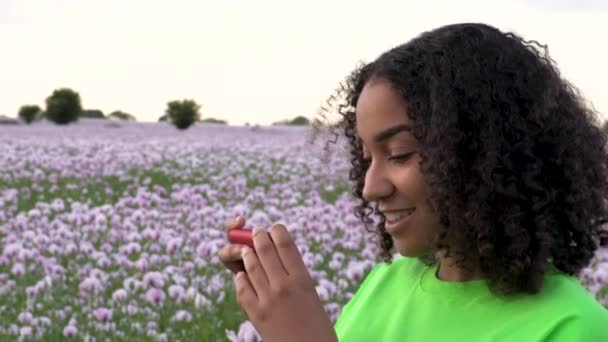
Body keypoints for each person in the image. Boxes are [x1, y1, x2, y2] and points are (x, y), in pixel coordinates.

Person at [218, 23, 608, 341]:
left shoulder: (572, 328)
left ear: (488, 155)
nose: (370, 188)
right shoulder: (383, 284)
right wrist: (281, 312)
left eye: (400, 154)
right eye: (367, 158)